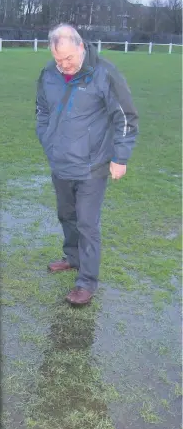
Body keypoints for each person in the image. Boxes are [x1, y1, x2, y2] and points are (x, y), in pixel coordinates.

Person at [36, 24, 138, 306]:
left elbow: (126, 117)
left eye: (68, 58)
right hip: (61, 163)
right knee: (65, 214)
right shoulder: (48, 75)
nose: (64, 65)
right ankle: (73, 258)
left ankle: (87, 282)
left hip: (92, 165)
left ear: (81, 46)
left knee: (87, 223)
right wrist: (47, 140)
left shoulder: (105, 74)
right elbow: (41, 110)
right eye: (58, 60)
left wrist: (120, 157)